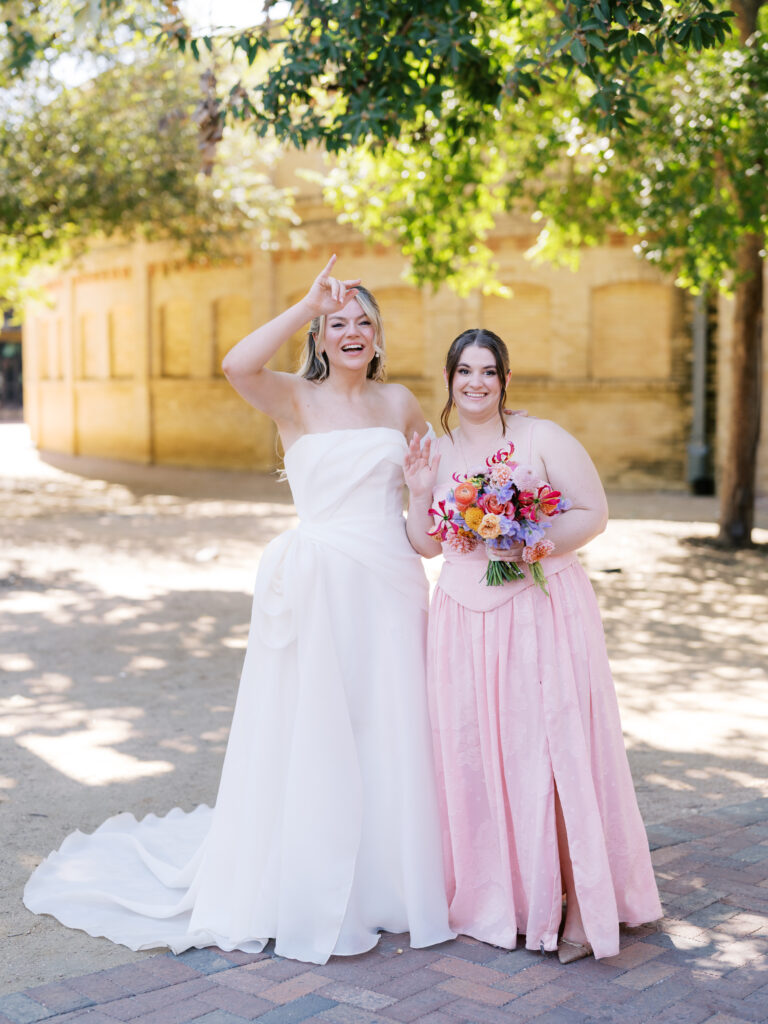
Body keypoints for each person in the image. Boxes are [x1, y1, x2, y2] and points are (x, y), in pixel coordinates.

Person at [24, 256, 454, 964]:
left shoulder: (401, 404)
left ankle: (390, 882)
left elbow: (425, 538)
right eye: (337, 324)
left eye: (363, 323)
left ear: (379, 338)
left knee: (391, 724)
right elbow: (234, 364)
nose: (351, 332)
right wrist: (307, 302)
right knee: (319, 726)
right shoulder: (292, 397)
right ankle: (314, 883)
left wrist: (426, 489)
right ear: (320, 339)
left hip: (393, 583)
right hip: (320, 584)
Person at [403, 328, 662, 963]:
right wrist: (418, 491)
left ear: (506, 379)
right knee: (479, 755)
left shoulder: (541, 437)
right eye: (465, 372)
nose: (476, 383)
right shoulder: (435, 450)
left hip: (538, 611)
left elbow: (592, 512)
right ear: (449, 379)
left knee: (552, 750)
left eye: (488, 372)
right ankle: (514, 900)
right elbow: (428, 545)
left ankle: (579, 908)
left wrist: (531, 545)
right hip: (463, 620)